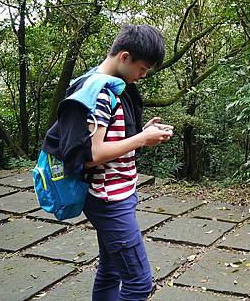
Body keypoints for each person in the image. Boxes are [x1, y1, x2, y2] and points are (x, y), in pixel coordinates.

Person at [82, 24, 173, 301]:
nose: (143, 75)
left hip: (116, 194)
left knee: (110, 270)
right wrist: (141, 138)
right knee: (139, 284)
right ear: (124, 57)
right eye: (142, 68)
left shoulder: (112, 87)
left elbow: (110, 139)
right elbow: (92, 154)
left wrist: (142, 134)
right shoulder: (100, 92)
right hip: (109, 201)